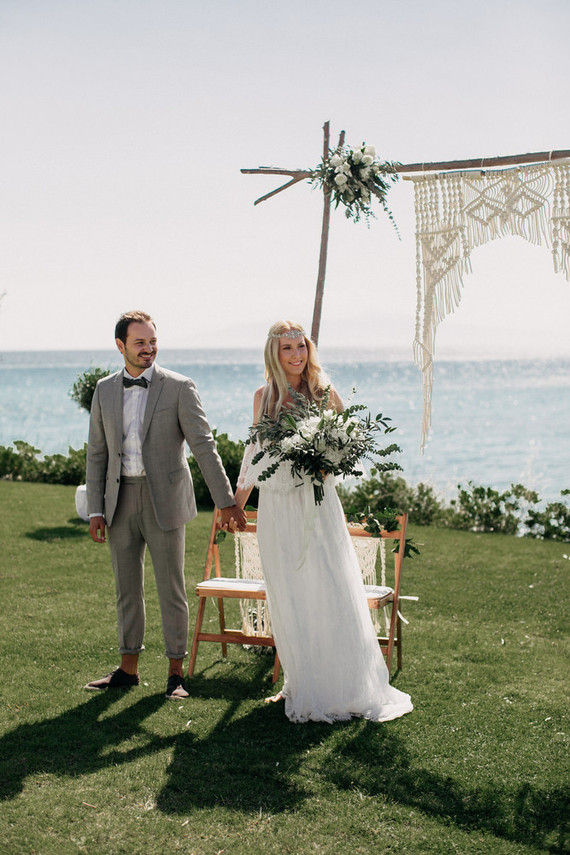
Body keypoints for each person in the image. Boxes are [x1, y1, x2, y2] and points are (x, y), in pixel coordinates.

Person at [234, 320, 412, 723]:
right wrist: (236, 502)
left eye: (301, 347)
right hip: (277, 507)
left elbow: (346, 449)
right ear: (274, 355)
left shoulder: (323, 393)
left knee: (329, 588)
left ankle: (344, 685)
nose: (296, 355)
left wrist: (324, 466)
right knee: (288, 594)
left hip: (317, 506)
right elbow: (253, 451)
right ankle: (298, 684)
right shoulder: (264, 397)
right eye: (287, 349)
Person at [85, 310, 247, 699]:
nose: (149, 349)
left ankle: (176, 674)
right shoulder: (104, 389)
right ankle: (128, 670)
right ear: (121, 346)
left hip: (166, 501)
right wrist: (95, 509)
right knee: (127, 589)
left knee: (171, 588)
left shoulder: (179, 386)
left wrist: (226, 501)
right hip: (118, 500)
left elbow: (204, 447)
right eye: (140, 342)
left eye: (153, 341)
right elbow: (96, 453)